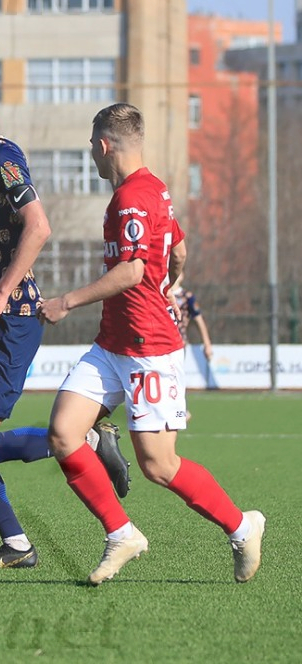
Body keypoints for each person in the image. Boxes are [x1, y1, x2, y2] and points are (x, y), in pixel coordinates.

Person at [38, 103, 265, 585]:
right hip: (112, 344)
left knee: (159, 466)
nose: (92, 155)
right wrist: (170, 286)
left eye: (91, 147)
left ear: (104, 146)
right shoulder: (154, 188)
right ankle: (121, 534)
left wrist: (66, 301)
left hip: (149, 348)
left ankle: (242, 527)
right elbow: (178, 249)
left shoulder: (132, 198)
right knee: (63, 433)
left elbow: (133, 270)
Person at [0, 71, 131, 569]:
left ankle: (86, 439)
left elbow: (38, 227)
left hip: (11, 315)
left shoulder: (3, 156)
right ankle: (16, 544)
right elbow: (1, 240)